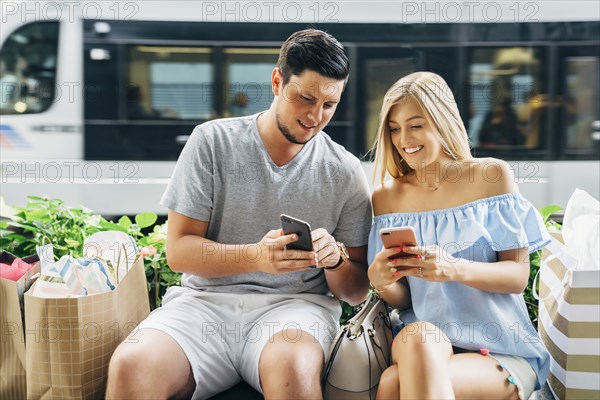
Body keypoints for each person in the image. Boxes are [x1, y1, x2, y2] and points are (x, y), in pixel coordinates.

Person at [106, 29, 372, 399]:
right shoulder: (212, 142)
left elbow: (356, 290)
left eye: (329, 105)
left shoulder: (344, 170)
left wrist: (336, 259)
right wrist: (256, 258)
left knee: (292, 367)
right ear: (278, 82)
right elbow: (179, 251)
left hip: (297, 309)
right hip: (203, 306)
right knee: (131, 365)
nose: (315, 116)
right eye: (305, 98)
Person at [367, 71, 550, 400]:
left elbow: (517, 276)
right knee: (419, 337)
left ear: (441, 120)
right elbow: (406, 299)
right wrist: (381, 280)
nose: (403, 139)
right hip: (424, 343)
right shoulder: (385, 197)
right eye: (394, 129)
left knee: (394, 385)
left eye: (416, 124)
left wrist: (453, 268)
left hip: (499, 350)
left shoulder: (491, 176)